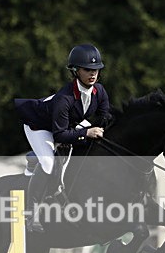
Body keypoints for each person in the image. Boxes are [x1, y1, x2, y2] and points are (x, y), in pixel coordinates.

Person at [15, 43, 110, 232]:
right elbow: (60, 134)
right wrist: (86, 133)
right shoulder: (64, 98)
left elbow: (105, 116)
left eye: (96, 70)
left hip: (67, 123)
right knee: (49, 164)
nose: (93, 74)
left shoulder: (99, 91)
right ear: (75, 71)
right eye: (87, 70)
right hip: (40, 126)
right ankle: (31, 214)